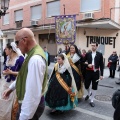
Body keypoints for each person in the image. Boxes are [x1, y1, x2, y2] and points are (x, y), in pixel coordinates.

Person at [3, 28, 47, 120]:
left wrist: (23, 117)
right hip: (31, 105)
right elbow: (24, 75)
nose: (17, 47)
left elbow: (33, 93)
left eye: (17, 43)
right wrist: (11, 88)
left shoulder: (35, 59)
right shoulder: (31, 54)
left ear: (24, 40)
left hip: (31, 106)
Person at [0, 42, 24, 120]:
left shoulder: (20, 59)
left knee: (13, 105)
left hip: (15, 85)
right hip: (6, 83)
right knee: (3, 101)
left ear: (11, 49)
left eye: (6, 49)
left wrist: (11, 72)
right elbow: (4, 71)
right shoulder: (7, 58)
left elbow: (23, 73)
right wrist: (5, 72)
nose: (5, 50)